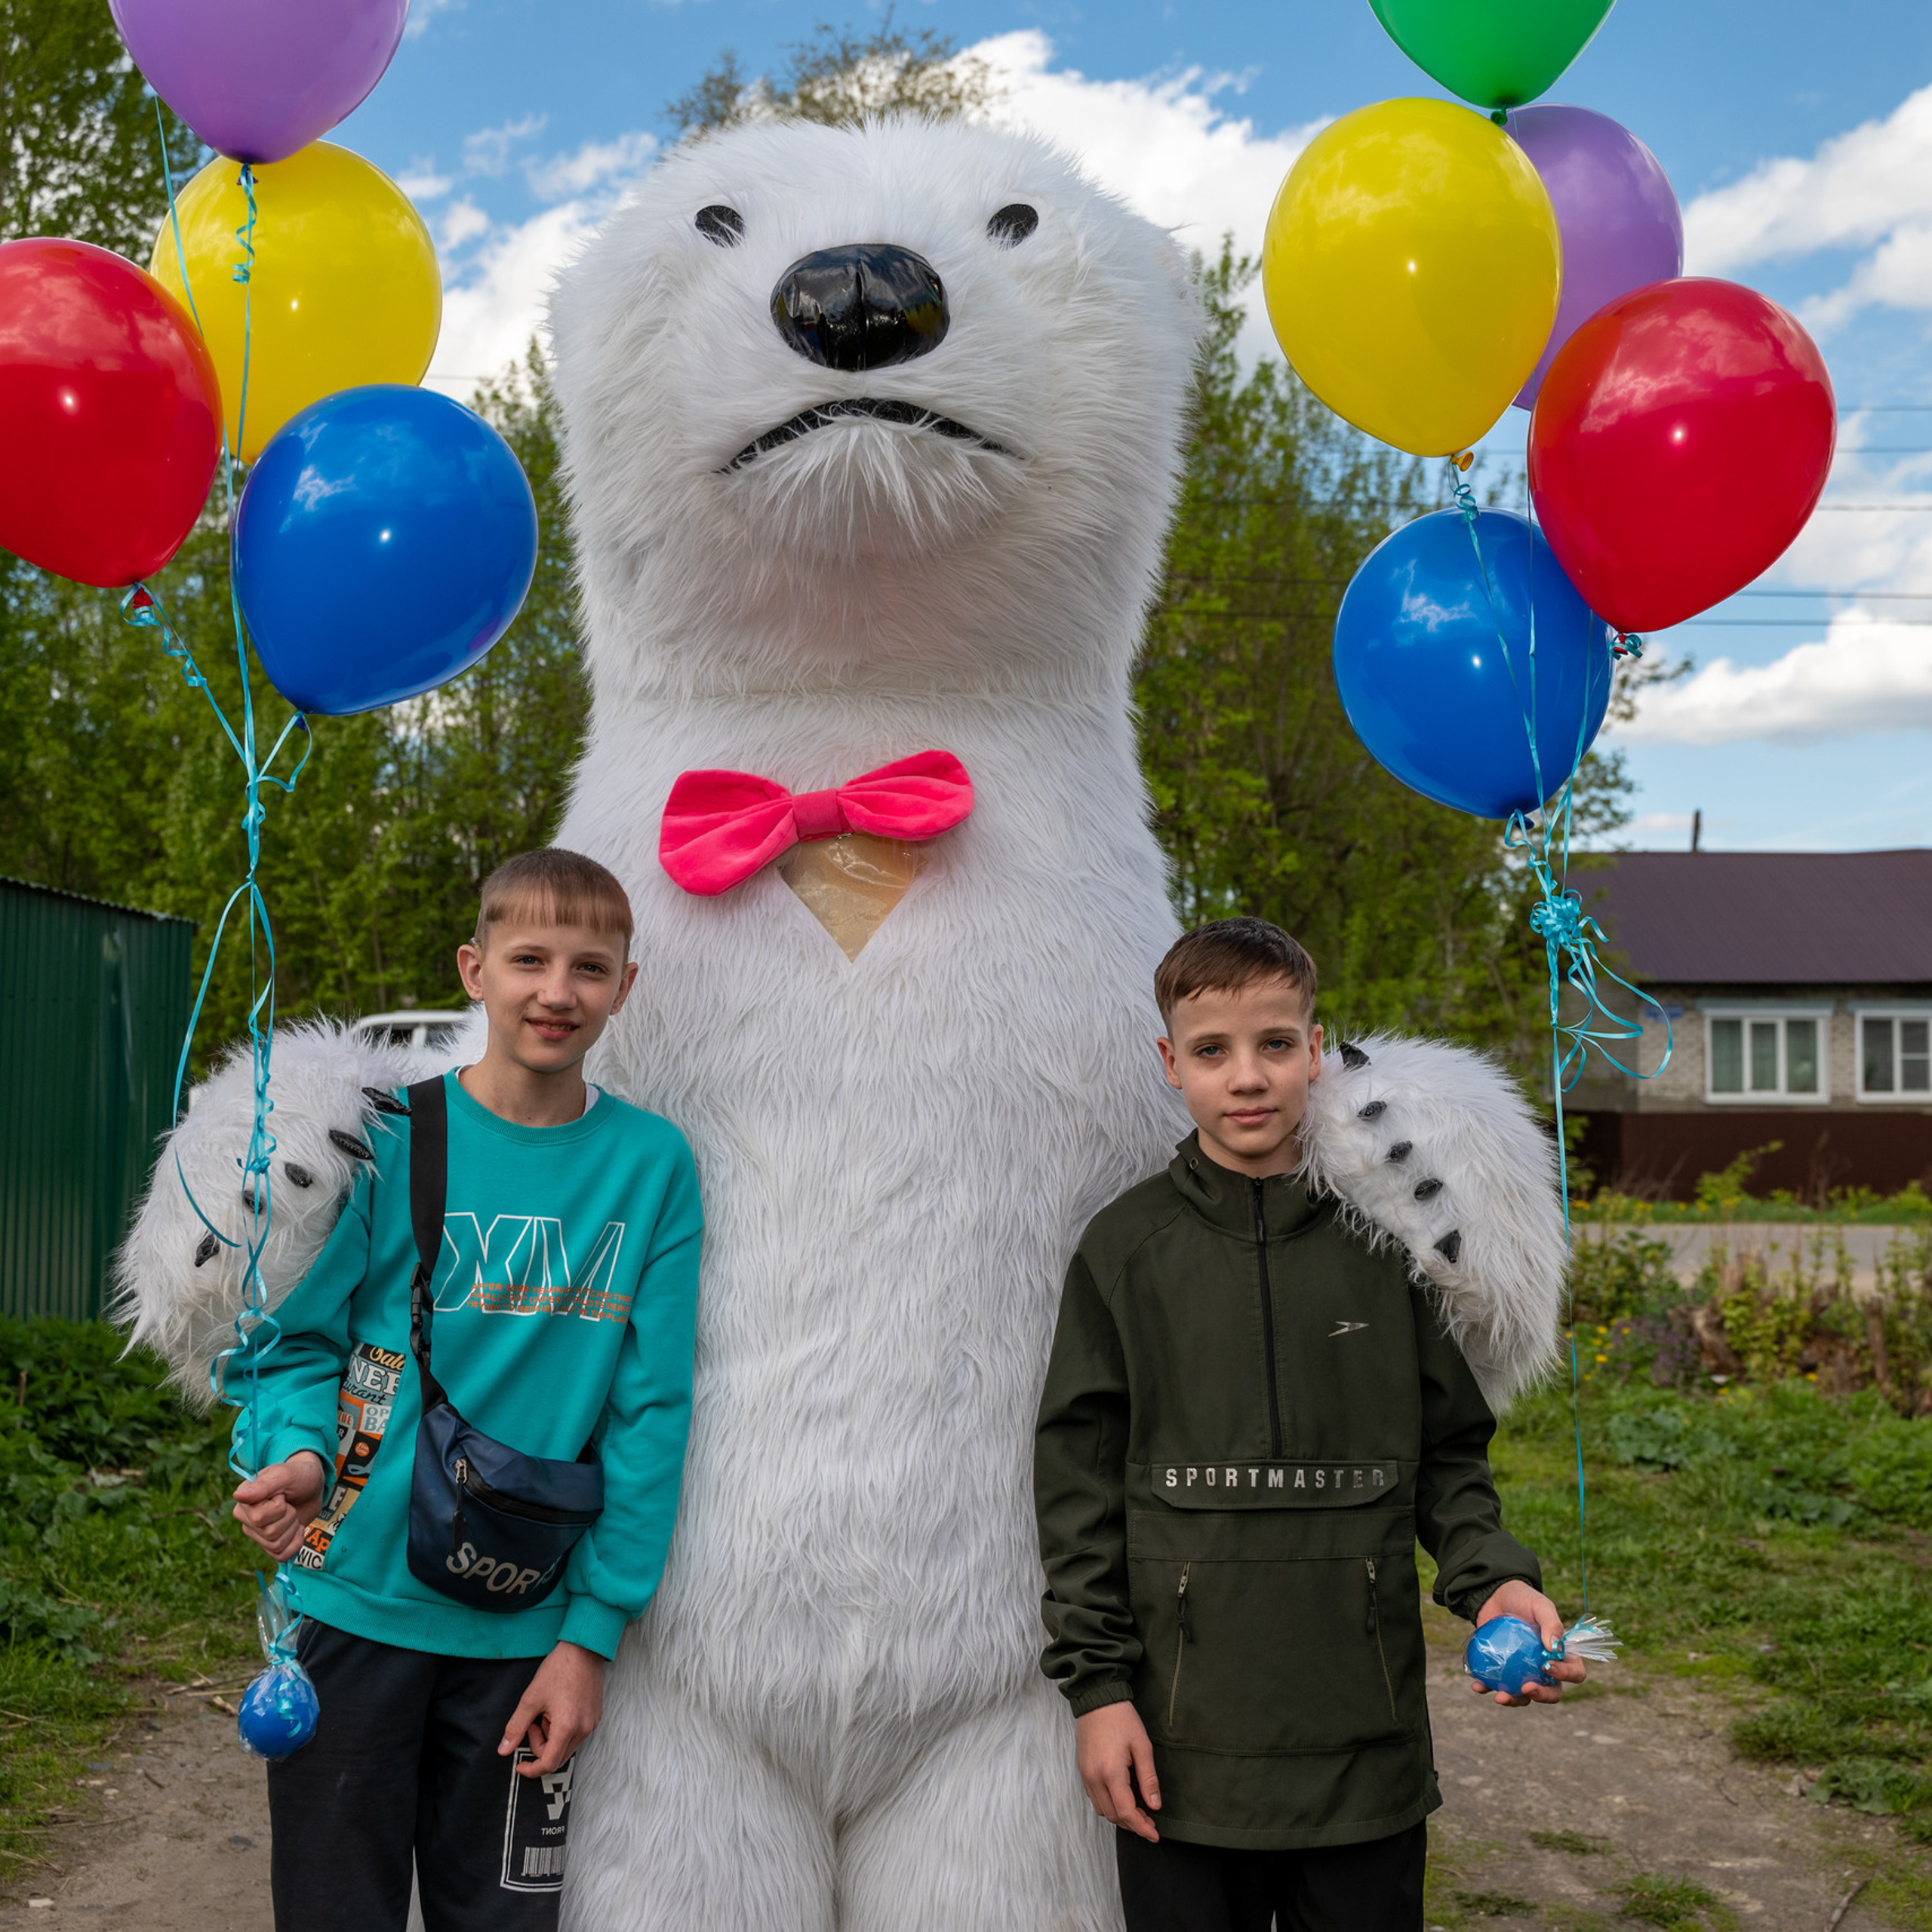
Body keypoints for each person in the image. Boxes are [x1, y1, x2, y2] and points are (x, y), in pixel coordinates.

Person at [1032, 916, 1580, 1932]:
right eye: (1213, 1050)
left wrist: (1496, 1580)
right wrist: (1098, 1691)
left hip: (1362, 1745)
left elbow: (1450, 1456)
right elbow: (1078, 1494)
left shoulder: (1394, 1245)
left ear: (1316, 1051)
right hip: (1181, 1753)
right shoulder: (1122, 1252)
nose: (1248, 1077)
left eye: (1275, 1045)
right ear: (1170, 1064)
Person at [229, 848, 702, 1932]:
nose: (556, 991)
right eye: (529, 959)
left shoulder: (652, 1166)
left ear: (624, 988)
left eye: (590, 967)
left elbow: (650, 1415)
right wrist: (298, 1455)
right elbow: (282, 1345)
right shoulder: (385, 1136)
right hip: (352, 1606)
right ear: (474, 969)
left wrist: (590, 1636)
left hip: (525, 1639)